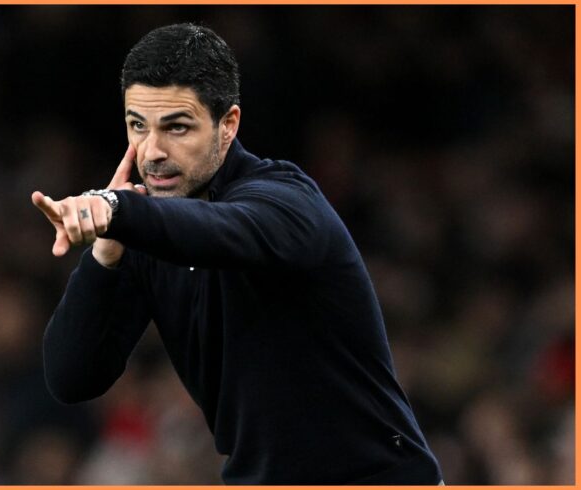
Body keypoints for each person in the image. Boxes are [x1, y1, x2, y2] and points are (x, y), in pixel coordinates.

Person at [30, 23, 443, 485]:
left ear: (228, 125)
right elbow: (72, 377)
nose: (152, 151)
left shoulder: (287, 202)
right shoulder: (142, 230)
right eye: (138, 126)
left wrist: (116, 209)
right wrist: (104, 256)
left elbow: (215, 231)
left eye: (177, 127)